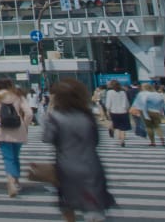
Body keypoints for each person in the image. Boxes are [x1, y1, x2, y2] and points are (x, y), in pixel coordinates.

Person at [43, 78, 116, 222]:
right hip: (91, 165)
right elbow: (95, 141)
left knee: (67, 206)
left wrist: (50, 108)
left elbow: (47, 138)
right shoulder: (88, 116)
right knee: (94, 208)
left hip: (66, 167)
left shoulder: (55, 117)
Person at [0, 78, 33, 197]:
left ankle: (11, 182)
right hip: (18, 129)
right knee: (15, 157)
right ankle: (16, 181)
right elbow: (29, 113)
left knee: (8, 157)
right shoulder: (18, 95)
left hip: (2, 130)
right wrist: (25, 125)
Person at [103, 80, 131, 148]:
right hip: (123, 111)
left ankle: (111, 129)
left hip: (114, 111)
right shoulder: (123, 92)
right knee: (123, 128)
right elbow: (126, 102)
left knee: (115, 124)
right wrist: (127, 109)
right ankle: (122, 141)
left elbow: (108, 103)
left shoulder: (109, 92)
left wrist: (107, 110)